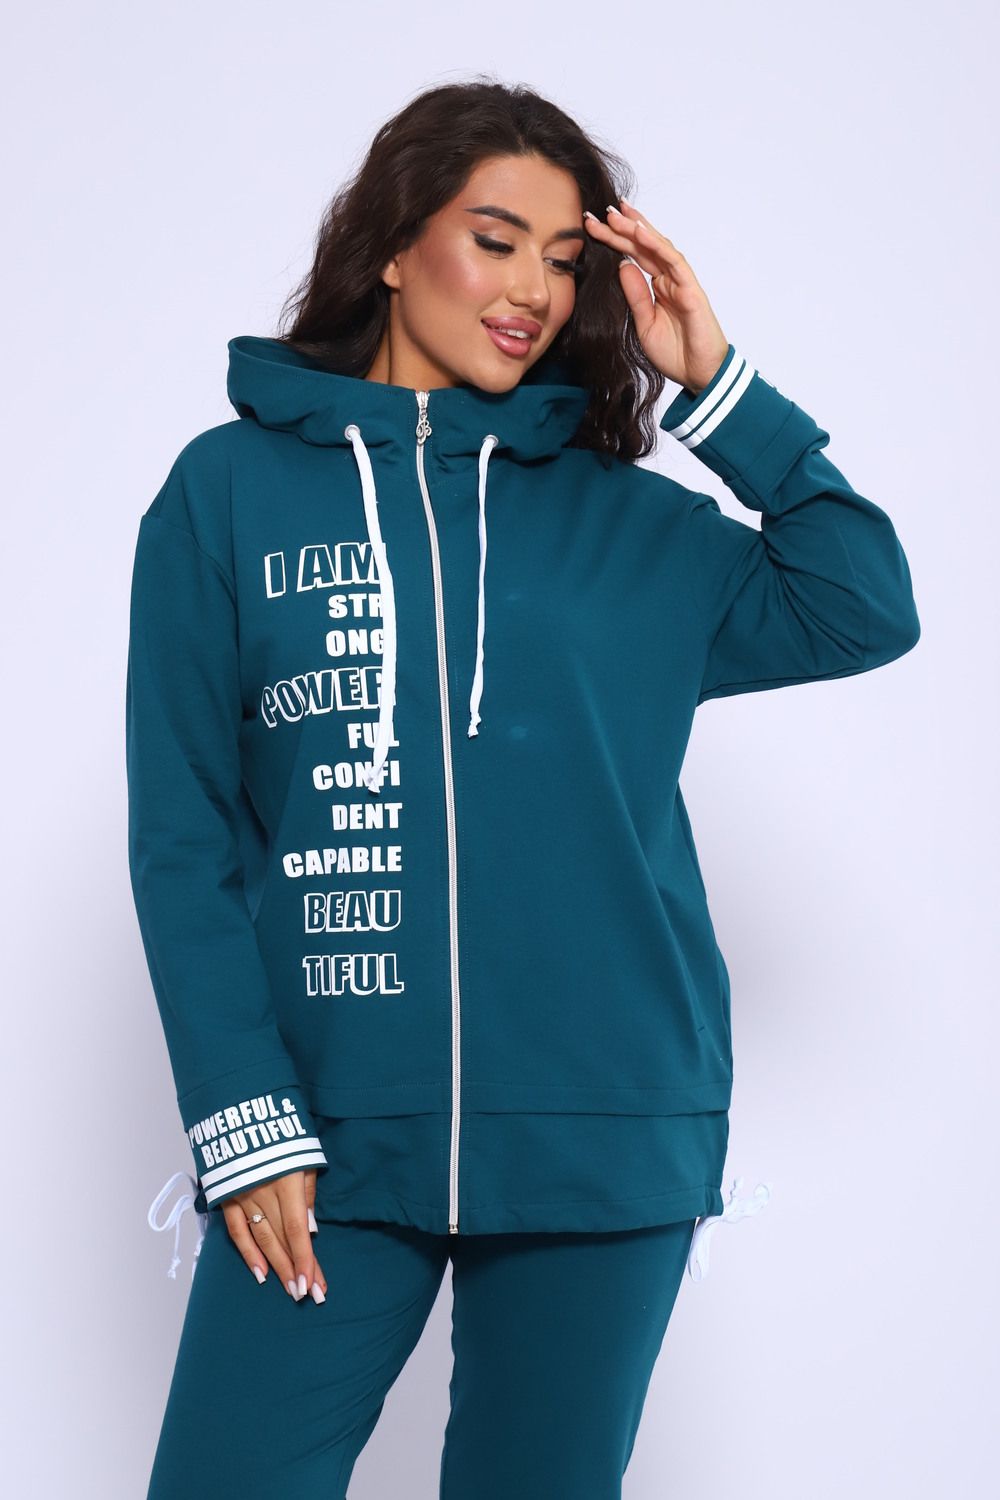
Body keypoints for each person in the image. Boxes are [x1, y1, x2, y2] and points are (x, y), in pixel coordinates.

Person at [127, 77, 920, 1498]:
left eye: (563, 260)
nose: (534, 293)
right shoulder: (229, 494)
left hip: (600, 1131)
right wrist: (241, 1117)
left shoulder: (634, 524)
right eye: (495, 241)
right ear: (391, 244)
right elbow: (184, 832)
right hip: (328, 1135)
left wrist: (718, 383)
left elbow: (862, 602)